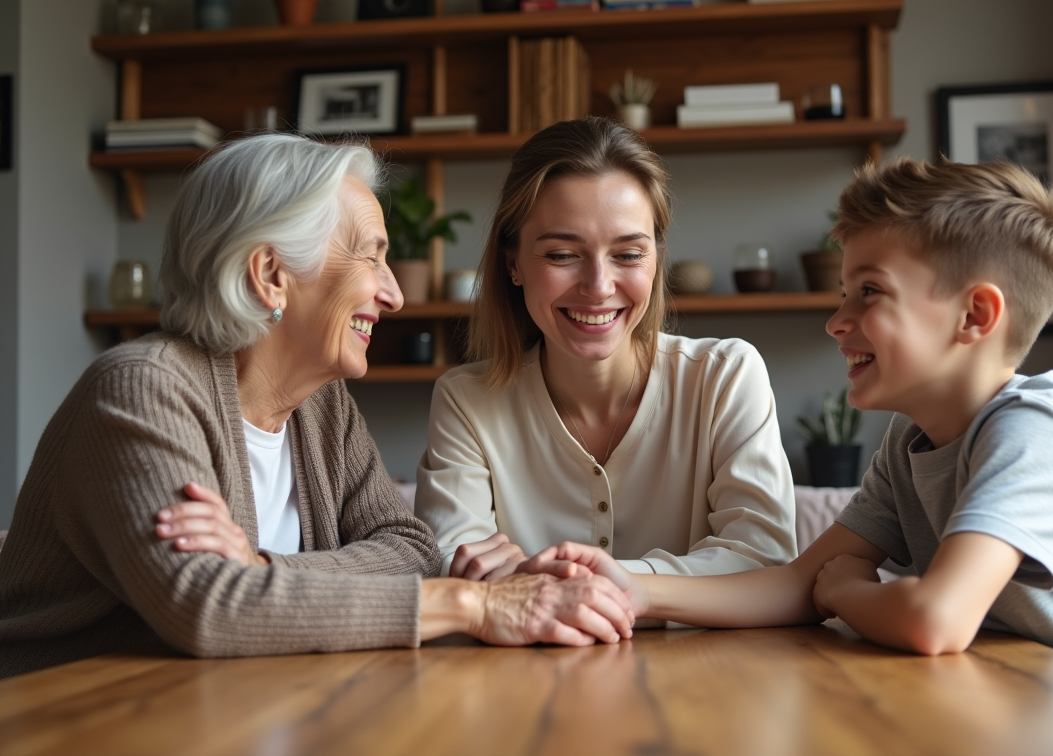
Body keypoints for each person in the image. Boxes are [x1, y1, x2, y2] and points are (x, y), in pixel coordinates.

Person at [521, 158, 1053, 700]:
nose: (836, 320)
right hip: (1036, 706)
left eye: (868, 291)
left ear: (974, 316)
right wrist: (634, 590)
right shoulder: (911, 442)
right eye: (844, 290)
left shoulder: (1034, 435)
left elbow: (934, 620)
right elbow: (796, 584)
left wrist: (848, 592)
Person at [0, 134, 632, 678]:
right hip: (65, 716)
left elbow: (409, 547)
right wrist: (476, 606)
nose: (393, 295)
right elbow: (207, 609)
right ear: (271, 273)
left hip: (231, 709)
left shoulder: (320, 406)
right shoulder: (143, 390)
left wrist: (262, 567)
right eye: (371, 255)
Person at [415, 117, 797, 585]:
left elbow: (763, 560)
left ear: (656, 260)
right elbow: (453, 568)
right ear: (513, 263)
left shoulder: (727, 377)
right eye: (561, 254)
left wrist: (562, 580)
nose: (598, 287)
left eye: (629, 254)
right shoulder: (464, 400)